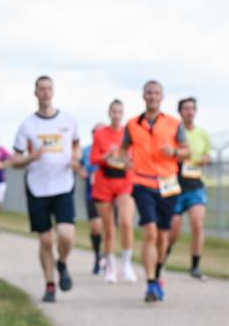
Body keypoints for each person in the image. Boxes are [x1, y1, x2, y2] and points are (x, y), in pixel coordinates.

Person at [12, 75, 82, 303]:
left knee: (66, 235)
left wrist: (75, 160)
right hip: (38, 187)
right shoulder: (28, 125)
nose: (45, 93)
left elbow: (76, 146)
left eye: (49, 88)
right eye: (41, 89)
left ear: (53, 91)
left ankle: (62, 262)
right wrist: (30, 157)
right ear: (35, 93)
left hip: (63, 185)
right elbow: (15, 159)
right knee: (45, 241)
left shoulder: (68, 120)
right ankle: (50, 285)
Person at [121, 80, 189, 302]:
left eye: (156, 93)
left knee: (162, 236)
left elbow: (187, 152)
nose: (152, 96)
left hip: (168, 184)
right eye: (149, 93)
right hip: (142, 182)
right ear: (143, 96)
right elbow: (123, 150)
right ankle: (150, 283)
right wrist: (126, 161)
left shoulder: (173, 123)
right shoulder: (132, 124)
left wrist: (174, 151)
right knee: (149, 230)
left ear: (162, 96)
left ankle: (158, 273)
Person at [90, 100, 138, 284]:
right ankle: (110, 266)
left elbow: (134, 158)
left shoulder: (129, 133)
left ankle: (126, 264)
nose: (116, 115)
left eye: (119, 112)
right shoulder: (101, 134)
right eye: (113, 112)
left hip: (124, 182)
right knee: (109, 228)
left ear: (123, 114)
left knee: (126, 222)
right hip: (104, 183)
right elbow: (94, 158)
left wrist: (126, 159)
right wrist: (107, 154)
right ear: (109, 113)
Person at [167, 97, 211, 280]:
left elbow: (207, 154)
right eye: (186, 109)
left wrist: (205, 159)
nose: (189, 112)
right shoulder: (173, 132)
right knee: (173, 230)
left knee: (197, 223)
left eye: (192, 108)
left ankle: (195, 266)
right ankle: (163, 256)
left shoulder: (202, 133)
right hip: (175, 185)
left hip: (196, 185)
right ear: (180, 112)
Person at [82, 124, 105, 274]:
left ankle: (107, 257)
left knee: (108, 228)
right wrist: (81, 171)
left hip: (110, 194)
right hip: (92, 193)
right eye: (95, 131)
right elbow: (78, 165)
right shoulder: (86, 151)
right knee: (96, 227)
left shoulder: (111, 148)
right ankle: (98, 256)